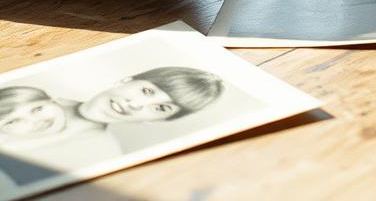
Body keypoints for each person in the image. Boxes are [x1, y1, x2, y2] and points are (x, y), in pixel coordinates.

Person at [0, 67, 223, 154]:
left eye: (160, 107)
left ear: (160, 120)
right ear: (126, 79)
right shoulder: (37, 88)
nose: (135, 105)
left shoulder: (103, 152)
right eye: (146, 91)